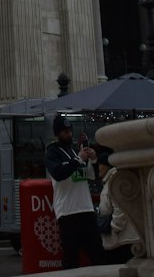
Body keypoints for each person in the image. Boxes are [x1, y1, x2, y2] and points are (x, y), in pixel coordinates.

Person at [44, 115, 104, 269]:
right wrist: (78, 160)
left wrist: (94, 160)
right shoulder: (52, 152)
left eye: (70, 131)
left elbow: (92, 175)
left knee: (97, 252)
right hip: (68, 212)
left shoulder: (74, 151)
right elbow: (58, 173)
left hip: (86, 209)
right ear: (57, 134)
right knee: (71, 256)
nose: (69, 134)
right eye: (65, 132)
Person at [96, 147, 141, 264]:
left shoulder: (114, 181)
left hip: (122, 239)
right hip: (116, 239)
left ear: (107, 165)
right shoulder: (109, 181)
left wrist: (114, 228)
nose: (98, 168)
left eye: (100, 164)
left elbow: (120, 208)